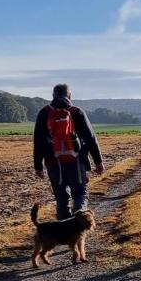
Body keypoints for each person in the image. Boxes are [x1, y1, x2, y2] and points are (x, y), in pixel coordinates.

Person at [33, 84, 104, 219]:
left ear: (53, 96)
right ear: (69, 95)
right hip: (76, 160)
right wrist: (98, 162)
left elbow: (38, 141)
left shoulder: (44, 113)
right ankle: (79, 222)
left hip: (53, 161)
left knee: (61, 198)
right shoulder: (77, 111)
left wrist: (38, 166)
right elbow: (91, 139)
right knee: (80, 194)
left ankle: (63, 233)